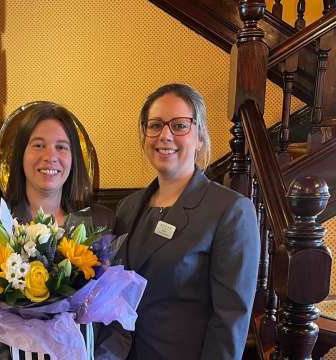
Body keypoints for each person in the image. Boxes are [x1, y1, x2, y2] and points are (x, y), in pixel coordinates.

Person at [96, 84, 260, 360]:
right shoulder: (128, 207)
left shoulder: (231, 211)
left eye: (180, 125)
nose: (165, 135)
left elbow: (230, 321)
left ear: (199, 137)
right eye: (155, 125)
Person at [0, 102, 115, 359]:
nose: (50, 156)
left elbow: (115, 321)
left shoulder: (100, 223)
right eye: (38, 145)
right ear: (20, 156)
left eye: (61, 147)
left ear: (73, 159)